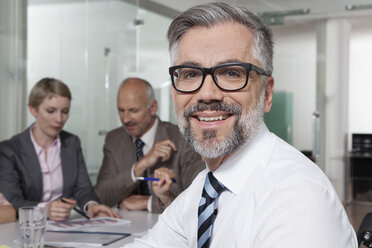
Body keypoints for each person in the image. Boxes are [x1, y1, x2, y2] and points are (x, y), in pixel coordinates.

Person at [125, 2, 357, 248]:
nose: (207, 94)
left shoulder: (297, 195)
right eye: (191, 74)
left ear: (267, 94)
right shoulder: (204, 188)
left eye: (231, 73)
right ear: (174, 94)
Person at [0, 78, 120, 221]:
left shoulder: (72, 143)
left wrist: (91, 205)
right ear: (33, 109)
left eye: (65, 111)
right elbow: (13, 201)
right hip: (25, 228)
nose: (59, 119)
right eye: (51, 111)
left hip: (64, 225)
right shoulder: (9, 150)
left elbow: (83, 188)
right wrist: (46, 209)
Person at [94, 77, 204, 213]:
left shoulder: (182, 138)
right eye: (121, 110)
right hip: (126, 228)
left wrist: (149, 203)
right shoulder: (114, 139)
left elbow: (199, 196)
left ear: (153, 108)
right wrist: (140, 166)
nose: (126, 119)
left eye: (133, 111)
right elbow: (100, 196)